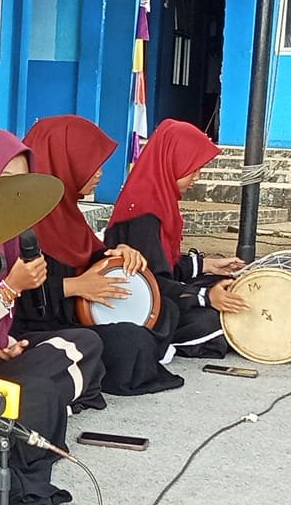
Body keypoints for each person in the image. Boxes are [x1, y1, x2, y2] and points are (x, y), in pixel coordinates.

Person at [0, 129, 107, 505]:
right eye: (3, 180)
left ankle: (38, 405)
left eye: (20, 183)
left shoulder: (7, 230)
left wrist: (5, 343)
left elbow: (9, 319)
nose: (11, 192)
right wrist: (10, 289)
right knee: (42, 390)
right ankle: (42, 406)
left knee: (87, 344)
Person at [15, 115, 182, 395]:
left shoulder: (67, 214)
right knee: (129, 343)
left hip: (77, 320)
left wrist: (117, 254)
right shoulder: (19, 221)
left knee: (165, 312)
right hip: (34, 329)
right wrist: (75, 287)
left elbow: (86, 254)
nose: (99, 173)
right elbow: (9, 294)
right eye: (90, 164)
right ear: (62, 162)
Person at [106, 119, 249, 358]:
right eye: (193, 168)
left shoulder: (158, 200)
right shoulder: (145, 212)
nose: (197, 177)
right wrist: (205, 297)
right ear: (172, 161)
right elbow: (150, 282)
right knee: (210, 319)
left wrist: (207, 264)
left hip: (155, 292)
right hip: (136, 305)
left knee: (220, 282)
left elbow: (160, 264)